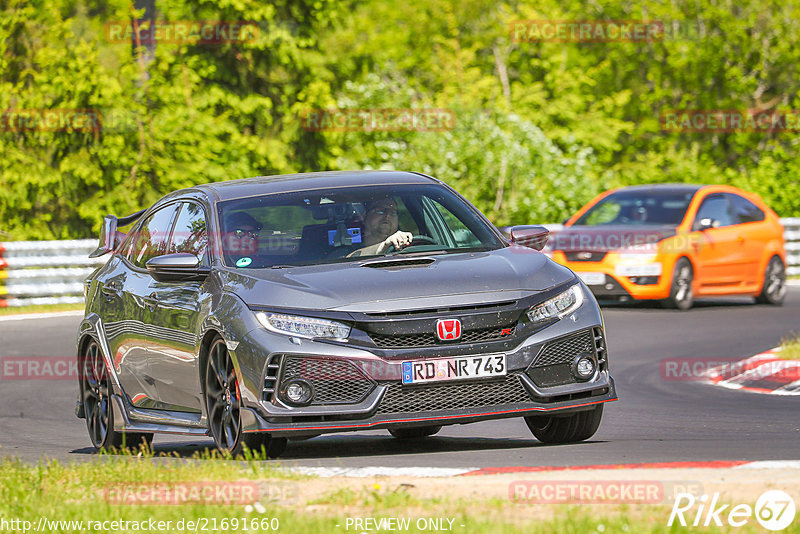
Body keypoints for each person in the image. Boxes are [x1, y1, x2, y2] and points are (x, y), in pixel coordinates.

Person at [348, 197, 413, 257]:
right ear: (364, 216)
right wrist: (384, 246)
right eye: (380, 211)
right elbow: (350, 259)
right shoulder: (348, 245)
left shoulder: (408, 247)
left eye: (392, 212)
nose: (387, 216)